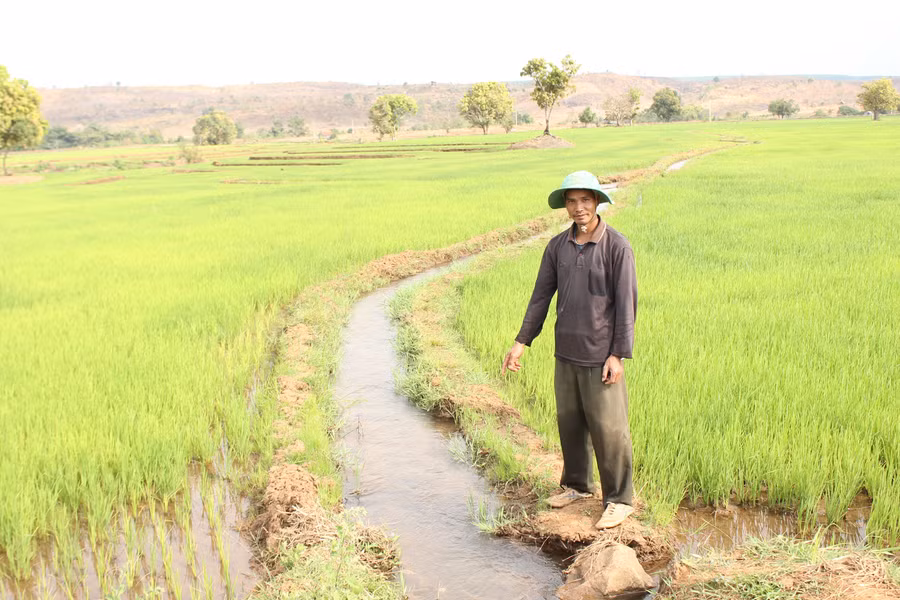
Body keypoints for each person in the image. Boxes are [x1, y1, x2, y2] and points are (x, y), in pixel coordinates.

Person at [501, 170, 637, 530]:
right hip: (567, 351)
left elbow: (626, 305)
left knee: (609, 428)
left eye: (585, 200)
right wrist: (521, 343)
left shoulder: (616, 247)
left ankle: (620, 499)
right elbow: (540, 298)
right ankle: (577, 485)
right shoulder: (557, 247)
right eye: (572, 201)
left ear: (597, 202)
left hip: (600, 354)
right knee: (571, 424)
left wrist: (617, 354)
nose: (579, 208)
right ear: (565, 206)